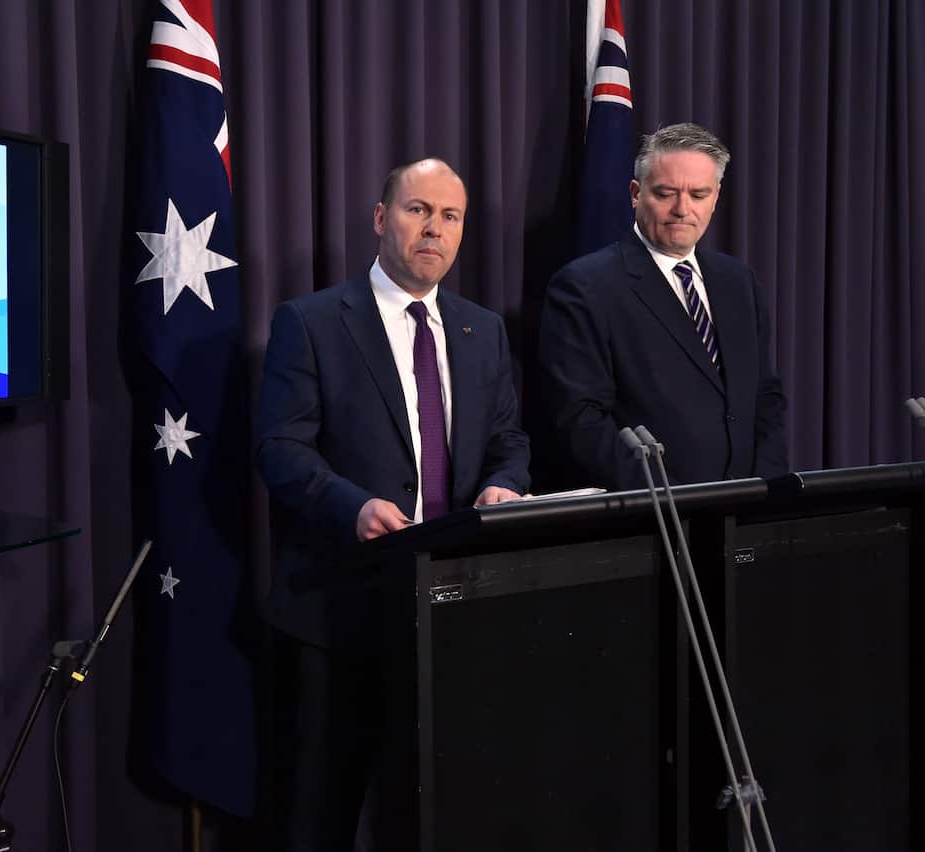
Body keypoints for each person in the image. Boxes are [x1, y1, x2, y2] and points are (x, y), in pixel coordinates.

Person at [255, 157, 530, 851]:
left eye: (450, 216)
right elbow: (280, 450)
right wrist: (351, 506)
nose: (432, 228)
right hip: (340, 610)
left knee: (441, 813)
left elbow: (509, 440)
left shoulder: (481, 330)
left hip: (454, 608)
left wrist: (506, 485)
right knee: (321, 818)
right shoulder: (312, 321)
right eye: (417, 210)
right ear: (381, 219)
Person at [538, 122, 788, 491]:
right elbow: (581, 418)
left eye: (698, 194)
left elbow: (764, 397)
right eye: (666, 193)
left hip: (744, 513)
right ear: (636, 193)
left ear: (716, 196)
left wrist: (765, 490)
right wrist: (668, 496)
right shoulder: (585, 287)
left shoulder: (738, 282)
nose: (682, 209)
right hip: (654, 514)